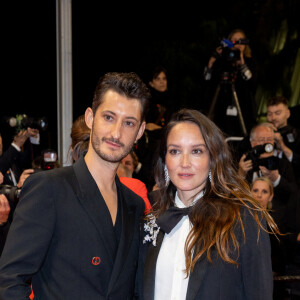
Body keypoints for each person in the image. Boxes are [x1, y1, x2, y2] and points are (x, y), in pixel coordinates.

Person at [0, 72, 151, 299]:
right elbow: (10, 281)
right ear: (90, 118)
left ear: (139, 131)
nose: (116, 133)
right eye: (109, 117)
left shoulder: (135, 205)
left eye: (128, 123)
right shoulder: (49, 189)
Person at [136, 108, 278, 300]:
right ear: (165, 161)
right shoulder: (152, 219)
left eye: (196, 151)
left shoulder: (244, 219)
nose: (184, 162)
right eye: (175, 151)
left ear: (212, 159)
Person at [203, 28, 257, 137]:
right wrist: (212, 61)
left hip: (243, 110)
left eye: (240, 40)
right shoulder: (222, 61)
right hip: (221, 108)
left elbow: (252, 84)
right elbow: (207, 80)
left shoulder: (250, 61)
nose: (237, 43)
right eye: (234, 40)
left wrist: (242, 64)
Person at [135, 66, 176, 191]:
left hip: (167, 144)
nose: (162, 82)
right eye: (158, 79)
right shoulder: (145, 102)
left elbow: (174, 127)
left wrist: (158, 128)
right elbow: (144, 126)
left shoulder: (172, 102)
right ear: (151, 83)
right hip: (149, 149)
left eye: (164, 78)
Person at [266, 96, 300, 185]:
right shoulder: (263, 133)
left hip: (291, 184)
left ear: (287, 113)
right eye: (269, 114)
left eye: (277, 113)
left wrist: (283, 147)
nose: (273, 117)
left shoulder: (297, 135)